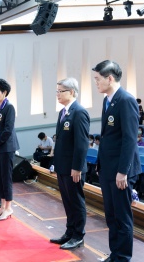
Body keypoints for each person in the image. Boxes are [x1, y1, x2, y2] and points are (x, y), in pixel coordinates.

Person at [93, 60, 140, 261]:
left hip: (120, 170)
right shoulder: (108, 100)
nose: (96, 83)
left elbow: (130, 139)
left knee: (122, 217)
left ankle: (123, 257)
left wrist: (123, 171)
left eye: (98, 79)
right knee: (111, 216)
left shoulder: (126, 99)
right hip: (108, 168)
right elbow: (108, 137)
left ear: (110, 78)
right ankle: (115, 254)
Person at [50, 77, 90, 250]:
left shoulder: (79, 112)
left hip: (73, 168)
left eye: (61, 91)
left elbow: (82, 143)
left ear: (72, 92)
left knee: (76, 201)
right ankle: (69, 232)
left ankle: (78, 235)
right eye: (57, 91)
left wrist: (77, 167)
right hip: (62, 165)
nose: (57, 94)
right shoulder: (63, 112)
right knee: (67, 201)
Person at [0, 79, 20, 221]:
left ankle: (8, 207)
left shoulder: (9, 108)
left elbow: (8, 130)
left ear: (4, 93)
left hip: (6, 148)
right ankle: (2, 206)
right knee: (0, 178)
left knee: (6, 178)